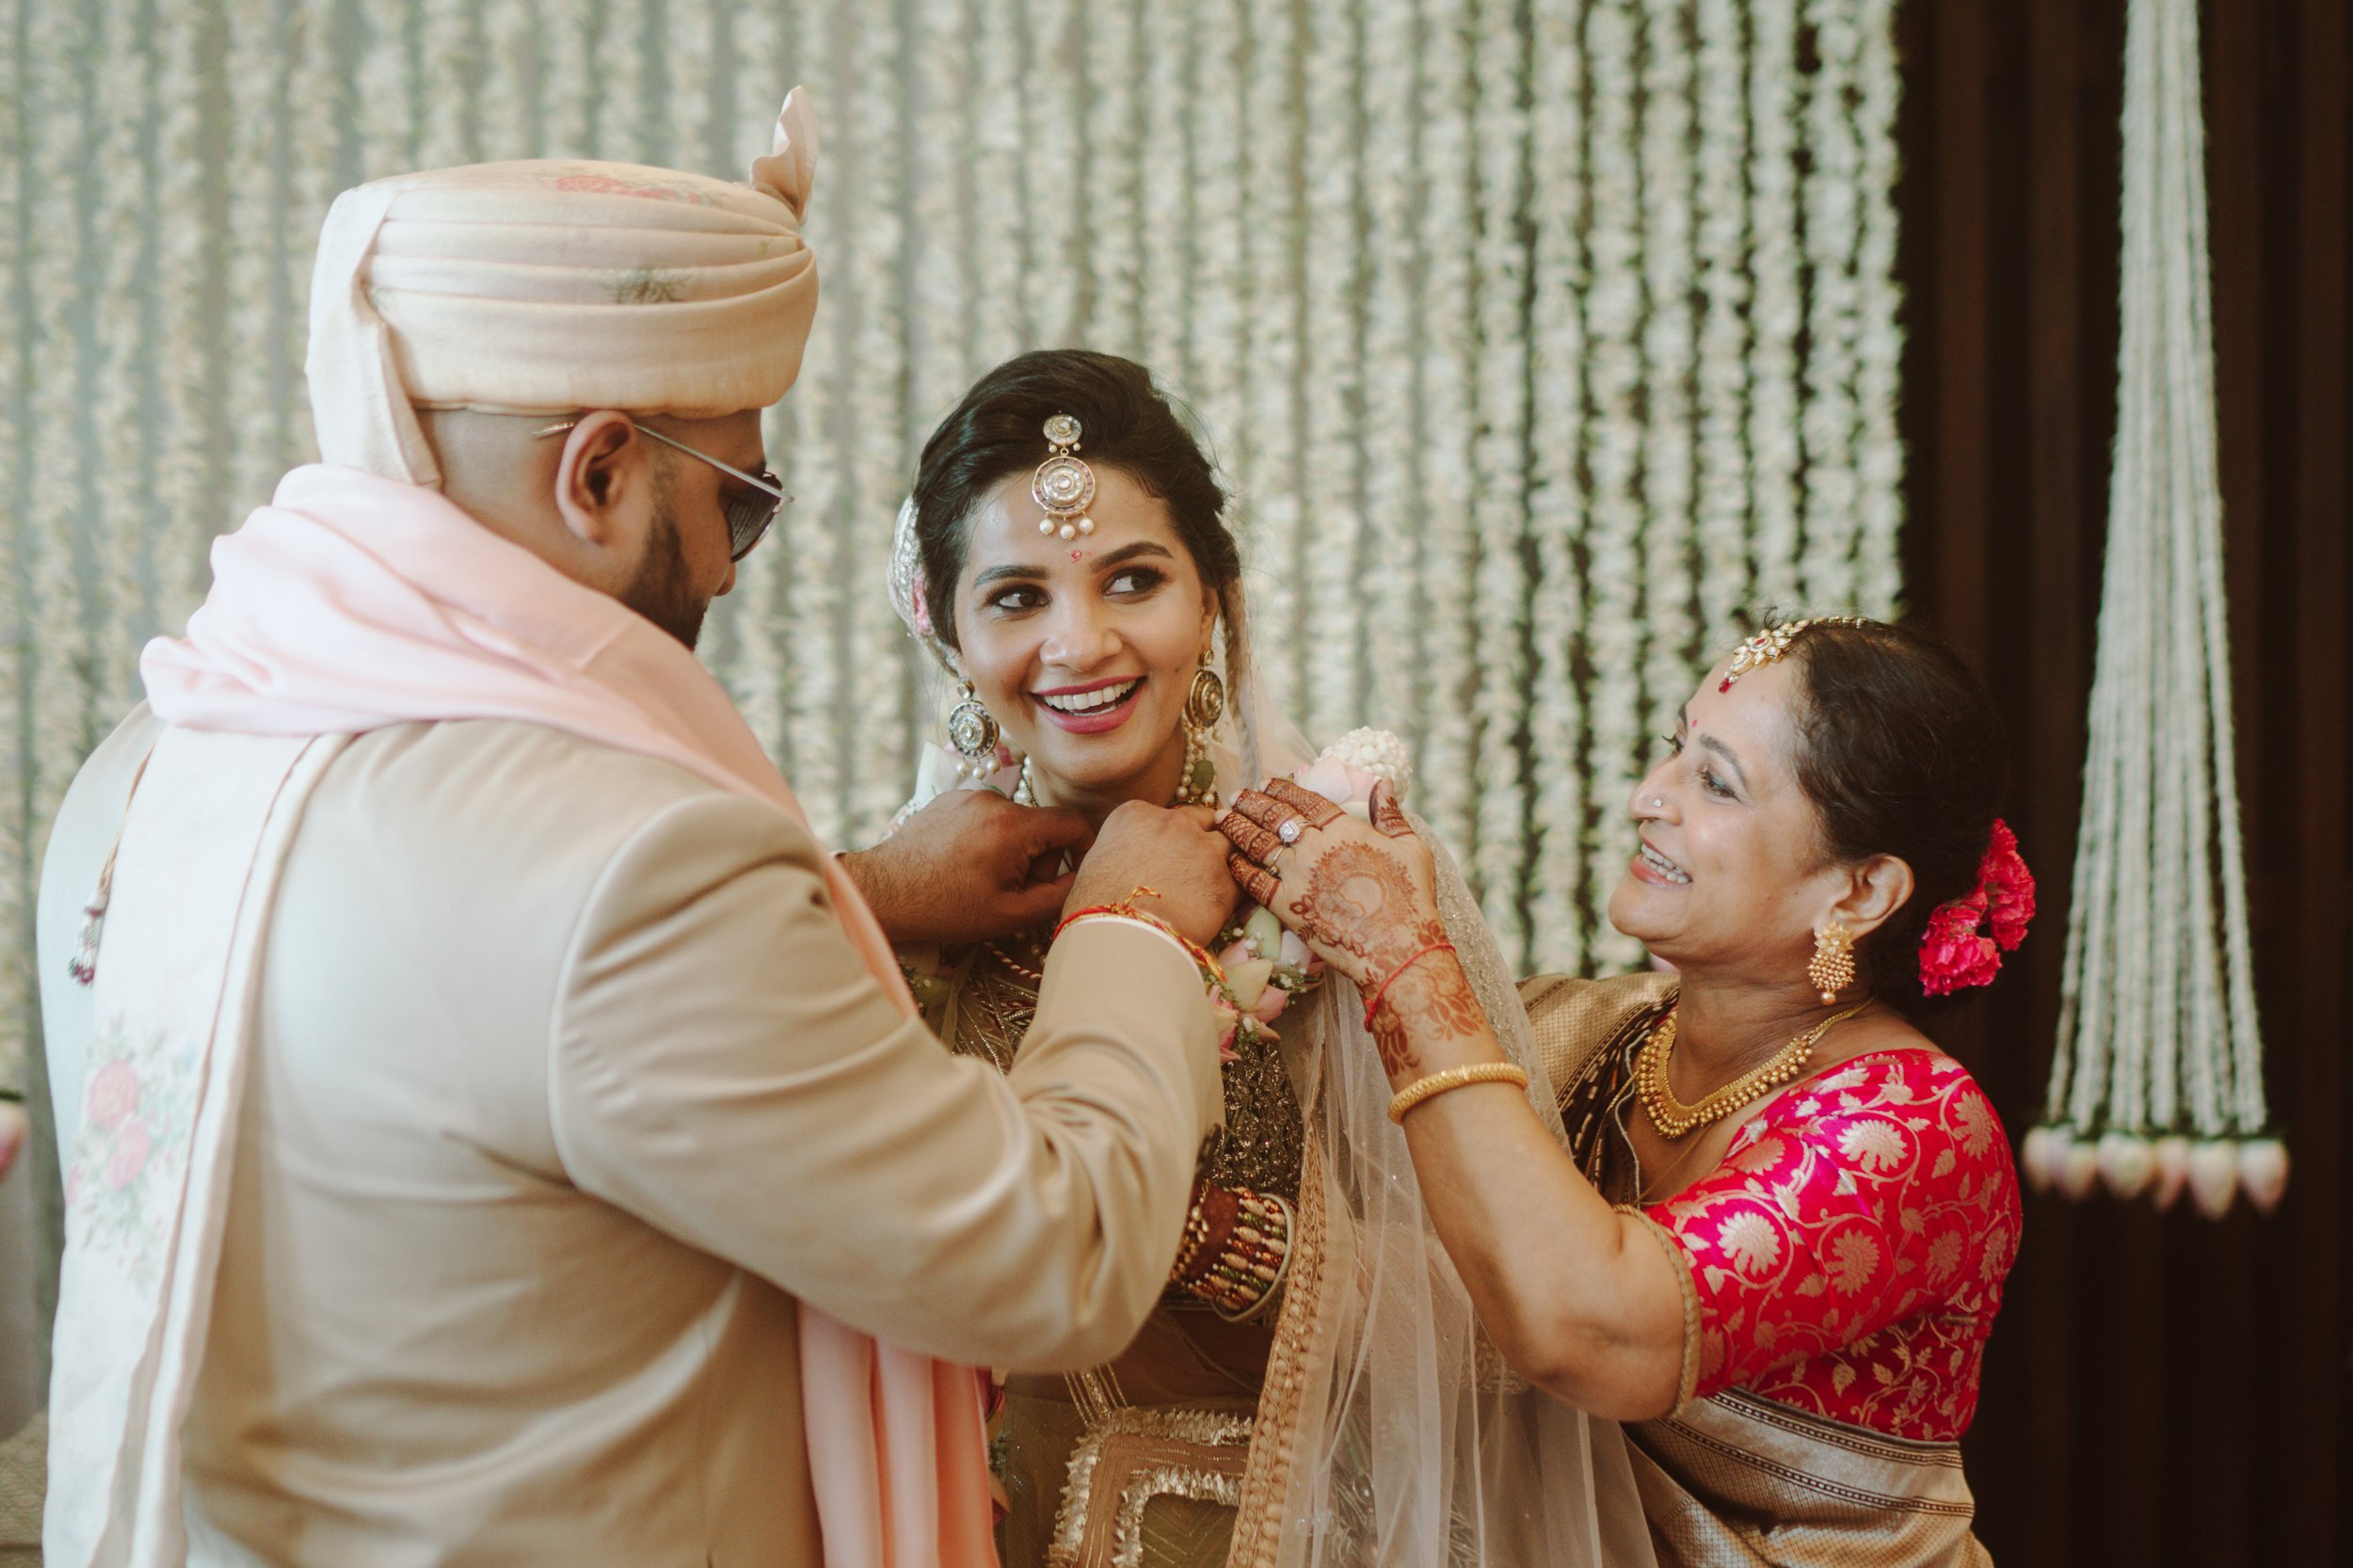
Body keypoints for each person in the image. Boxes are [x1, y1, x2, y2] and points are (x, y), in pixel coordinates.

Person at [35, 98, 1241, 1568]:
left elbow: (490, 1031)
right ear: (599, 474)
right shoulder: (635, 855)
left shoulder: (163, 754)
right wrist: (1131, 927)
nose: (731, 571)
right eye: (737, 497)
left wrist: (860, 900)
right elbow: (1053, 1255)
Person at [881, 349, 1652, 1568]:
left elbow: (1509, 1318)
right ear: (944, 625)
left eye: (1132, 580)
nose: (1079, 644)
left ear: (1218, 602)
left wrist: (1190, 1233)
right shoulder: (911, 909)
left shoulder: (1345, 878)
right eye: (1017, 597)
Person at [1224, 616, 2028, 1567]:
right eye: (1672, 748)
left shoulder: (1913, 1125)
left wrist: (1401, 952)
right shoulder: (1604, 1032)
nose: (1649, 796)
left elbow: (1589, 1328)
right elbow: (1398, 1220)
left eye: (1715, 783)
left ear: (1857, 893)